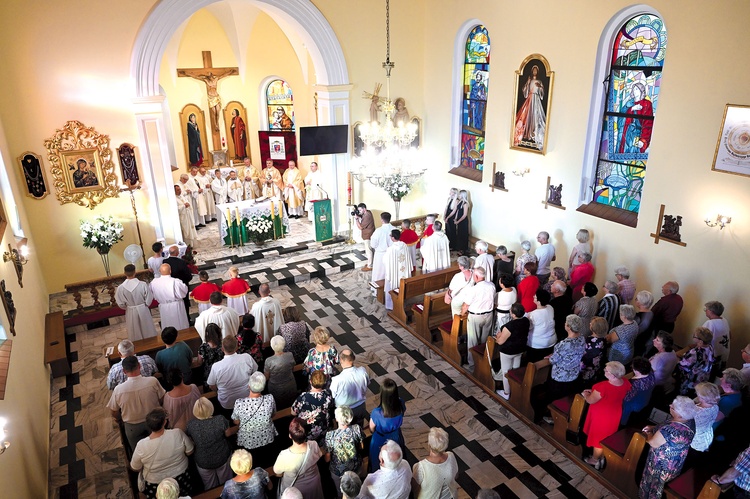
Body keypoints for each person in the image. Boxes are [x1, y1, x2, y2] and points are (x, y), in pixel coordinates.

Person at [639, 396, 696, 499]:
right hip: (675, 462)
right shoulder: (689, 420)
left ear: (680, 415)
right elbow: (664, 426)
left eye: (673, 407)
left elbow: (653, 442)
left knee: (654, 486)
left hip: (660, 464)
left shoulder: (670, 429)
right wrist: (653, 427)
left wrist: (648, 433)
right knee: (664, 483)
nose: (670, 405)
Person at [130, 407, 195, 499]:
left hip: (155, 483)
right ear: (164, 422)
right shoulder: (177, 433)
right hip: (181, 477)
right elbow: (190, 451)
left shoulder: (141, 445)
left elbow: (135, 467)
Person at [107, 356, 166, 452]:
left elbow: (114, 411)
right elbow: (162, 398)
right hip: (155, 420)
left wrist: (119, 419)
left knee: (139, 451)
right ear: (139, 366)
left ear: (124, 371)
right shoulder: (152, 381)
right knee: (160, 447)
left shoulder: (119, 389)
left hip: (132, 426)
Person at [582, 361, 631, 469]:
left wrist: (586, 395)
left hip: (601, 416)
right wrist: (594, 391)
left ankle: (594, 460)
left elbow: (591, 400)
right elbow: (612, 393)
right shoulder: (625, 382)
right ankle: (602, 456)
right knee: (606, 436)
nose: (604, 371)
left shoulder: (603, 386)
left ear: (612, 375)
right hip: (614, 413)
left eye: (606, 370)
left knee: (597, 439)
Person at [542, 314, 585, 420]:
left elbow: (553, 360)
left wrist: (551, 356)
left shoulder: (564, 344)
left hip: (560, 376)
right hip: (573, 374)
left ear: (569, 327)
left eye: (566, 323)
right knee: (565, 396)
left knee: (555, 398)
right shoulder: (582, 338)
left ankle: (552, 417)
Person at [273, 418, 324, 499]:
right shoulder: (313, 444)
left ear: (290, 436)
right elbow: (320, 454)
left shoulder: (284, 455)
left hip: (295, 489)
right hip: (313, 483)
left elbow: (277, 472)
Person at [232, 372, 278, 460]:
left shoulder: (239, 403)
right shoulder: (270, 398)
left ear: (249, 386)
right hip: (266, 437)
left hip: (248, 440)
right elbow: (273, 414)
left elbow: (236, 422)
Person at [208, 335, 258, 413]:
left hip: (227, 402)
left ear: (222, 349)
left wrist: (218, 390)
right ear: (237, 347)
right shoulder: (246, 357)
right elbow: (255, 371)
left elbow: (211, 385)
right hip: (247, 397)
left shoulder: (216, 366)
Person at [323, 406, 365, 497]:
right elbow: (362, 446)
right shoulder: (356, 428)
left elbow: (327, 458)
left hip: (338, 471)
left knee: (341, 490)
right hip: (356, 466)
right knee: (355, 486)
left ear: (337, 419)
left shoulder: (330, 435)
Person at [460, 266, 496, 370]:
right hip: (489, 315)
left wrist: (462, 314)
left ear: (476, 276)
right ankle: (483, 362)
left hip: (476, 316)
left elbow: (466, 305)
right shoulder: (491, 285)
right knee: (485, 341)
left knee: (473, 341)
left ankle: (472, 366)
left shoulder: (474, 289)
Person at [492, 303, 529, 400]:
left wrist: (498, 336)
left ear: (513, 314)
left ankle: (506, 392)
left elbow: (500, 342)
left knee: (506, 372)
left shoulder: (509, 326)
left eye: (511, 311)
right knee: (515, 370)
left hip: (508, 351)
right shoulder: (526, 321)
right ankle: (515, 390)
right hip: (520, 349)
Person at [369, 378, 405, 472]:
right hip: (395, 436)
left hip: (380, 438)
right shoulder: (401, 404)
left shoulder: (376, 413)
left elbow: (372, 428)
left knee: (378, 460)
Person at [412, 427, 459, 499]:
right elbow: (456, 475)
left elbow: (414, 488)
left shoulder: (421, 467)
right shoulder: (451, 456)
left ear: (429, 445)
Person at [292, 369, 335, 443]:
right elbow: (331, 407)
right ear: (324, 382)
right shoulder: (328, 394)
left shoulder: (303, 397)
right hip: (324, 428)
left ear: (310, 381)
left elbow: (293, 412)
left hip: (308, 431)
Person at [330, 349, 370, 427]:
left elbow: (332, 396)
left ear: (341, 360)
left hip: (344, 412)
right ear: (353, 358)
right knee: (359, 428)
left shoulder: (337, 380)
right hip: (360, 407)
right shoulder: (362, 371)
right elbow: (367, 384)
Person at [513, 64, 546, 150]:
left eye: (536, 70)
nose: (534, 72)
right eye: (533, 70)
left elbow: (542, 93)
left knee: (535, 116)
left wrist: (541, 87)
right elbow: (525, 91)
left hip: (536, 99)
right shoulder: (530, 80)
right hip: (529, 99)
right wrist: (528, 83)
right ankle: (527, 133)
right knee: (528, 116)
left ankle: (534, 133)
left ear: (537, 72)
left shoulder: (539, 81)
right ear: (532, 71)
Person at [676, 327, 714, 397]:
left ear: (701, 341)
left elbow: (683, 365)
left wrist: (677, 360)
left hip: (691, 380)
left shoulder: (695, 353)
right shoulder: (710, 347)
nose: (693, 337)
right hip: (703, 378)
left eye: (694, 336)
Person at [618, 82, 653, 154]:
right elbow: (621, 117)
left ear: (641, 91)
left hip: (637, 135)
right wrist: (632, 109)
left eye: (637, 89)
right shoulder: (629, 103)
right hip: (625, 134)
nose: (634, 91)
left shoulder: (647, 104)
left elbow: (648, 124)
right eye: (633, 89)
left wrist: (643, 140)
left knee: (633, 155)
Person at [620, 357, 655, 425]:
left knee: (625, 404)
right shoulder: (650, 372)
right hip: (646, 398)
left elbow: (627, 398)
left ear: (637, 371)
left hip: (635, 404)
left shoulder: (636, 383)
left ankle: (622, 423)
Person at [264, 335, 297, 409]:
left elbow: (266, 377)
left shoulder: (269, 360)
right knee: (291, 403)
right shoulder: (290, 355)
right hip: (290, 385)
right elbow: (292, 368)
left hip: (275, 388)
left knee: (278, 405)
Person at [162, 246, 194, 323]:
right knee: (185, 303)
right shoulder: (181, 262)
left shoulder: (165, 261)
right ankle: (187, 319)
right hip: (181, 286)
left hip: (169, 287)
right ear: (177, 253)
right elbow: (188, 276)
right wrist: (185, 282)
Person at [689, 382, 721, 457]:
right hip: (707, 435)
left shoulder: (696, 411)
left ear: (702, 398)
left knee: (692, 457)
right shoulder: (715, 406)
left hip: (695, 440)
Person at [383, 229, 412, 310]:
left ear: (392, 238)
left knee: (392, 285)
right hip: (403, 272)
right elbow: (408, 258)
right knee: (402, 286)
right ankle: (402, 303)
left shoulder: (390, 249)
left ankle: (391, 306)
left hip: (394, 273)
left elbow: (385, 261)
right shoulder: (404, 245)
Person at [526, 289, 556, 362]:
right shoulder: (550, 307)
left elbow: (529, 327)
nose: (533, 297)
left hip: (537, 344)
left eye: (535, 297)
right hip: (551, 341)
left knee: (534, 363)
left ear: (539, 302)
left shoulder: (533, 314)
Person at [703, 300, 730, 372]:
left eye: (706, 309)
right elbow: (730, 335)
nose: (705, 311)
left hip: (713, 356)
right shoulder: (724, 320)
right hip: (723, 352)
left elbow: (702, 339)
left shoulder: (710, 323)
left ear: (711, 312)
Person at [580, 317, 607, 387]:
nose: (590, 324)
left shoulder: (588, 340)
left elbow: (583, 355)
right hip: (597, 366)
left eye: (591, 324)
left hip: (586, 367)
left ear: (593, 328)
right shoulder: (604, 339)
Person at [370, 212, 395, 282]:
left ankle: (377, 290)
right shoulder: (395, 229)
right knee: (390, 272)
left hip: (380, 255)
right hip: (391, 254)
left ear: (382, 220)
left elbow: (373, 244)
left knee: (379, 273)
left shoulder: (378, 231)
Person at [197, 323, 224, 388]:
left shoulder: (203, 347)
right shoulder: (223, 345)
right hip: (222, 373)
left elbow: (199, 362)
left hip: (209, 374)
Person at [354, 203, 375, 271]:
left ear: (364, 209)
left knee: (369, 251)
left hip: (368, 235)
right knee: (371, 250)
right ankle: (371, 263)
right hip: (370, 234)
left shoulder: (367, 216)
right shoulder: (368, 212)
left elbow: (360, 227)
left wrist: (356, 219)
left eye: (360, 210)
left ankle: (370, 266)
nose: (359, 212)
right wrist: (359, 216)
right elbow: (362, 216)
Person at [634, 290, 655, 355]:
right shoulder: (652, 313)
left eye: (636, 299)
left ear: (640, 302)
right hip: (649, 343)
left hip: (639, 345)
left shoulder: (638, 317)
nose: (635, 300)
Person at [450, 190, 470, 255]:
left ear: (463, 195)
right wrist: (455, 218)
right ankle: (460, 248)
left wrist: (458, 221)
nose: (459, 196)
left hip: (463, 222)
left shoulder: (465, 203)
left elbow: (464, 215)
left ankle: (463, 249)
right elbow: (457, 211)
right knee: (459, 234)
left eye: (460, 194)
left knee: (463, 234)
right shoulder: (460, 202)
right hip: (459, 220)